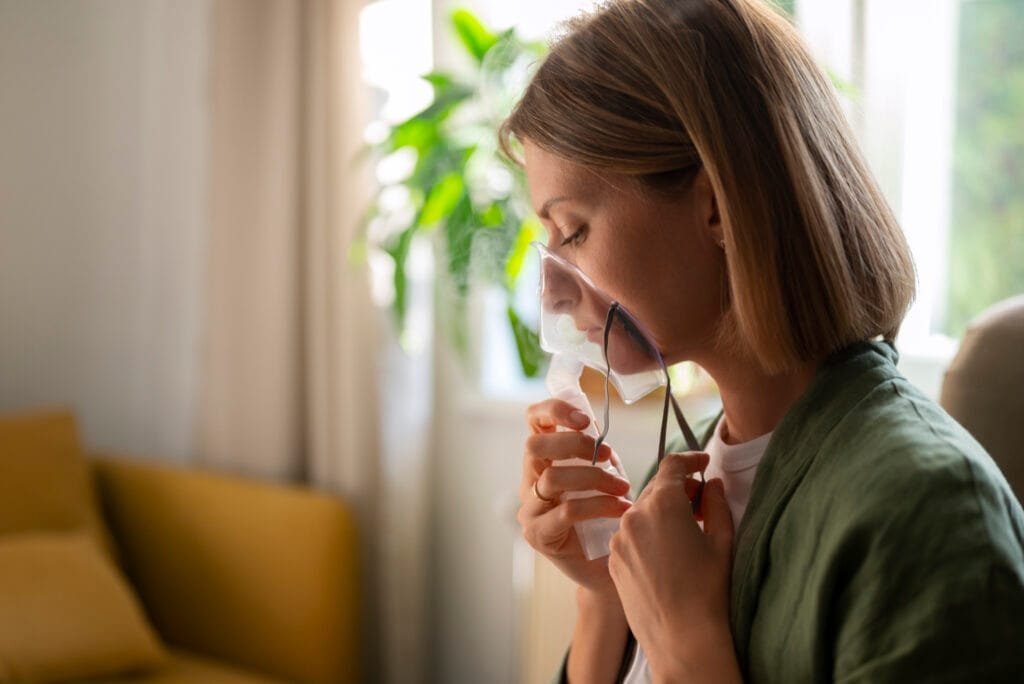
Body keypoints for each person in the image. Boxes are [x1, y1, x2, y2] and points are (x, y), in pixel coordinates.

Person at [498, 0, 1024, 682]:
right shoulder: (694, 465)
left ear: (715, 207)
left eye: (571, 231)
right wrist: (605, 595)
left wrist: (688, 645)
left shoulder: (930, 515)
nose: (552, 292)